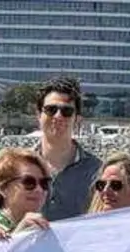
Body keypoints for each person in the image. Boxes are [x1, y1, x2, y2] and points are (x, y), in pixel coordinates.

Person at [32, 76, 102, 221]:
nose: (58, 116)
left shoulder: (98, 172)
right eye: (51, 109)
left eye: (67, 111)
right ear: (38, 115)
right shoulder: (16, 167)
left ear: (77, 119)